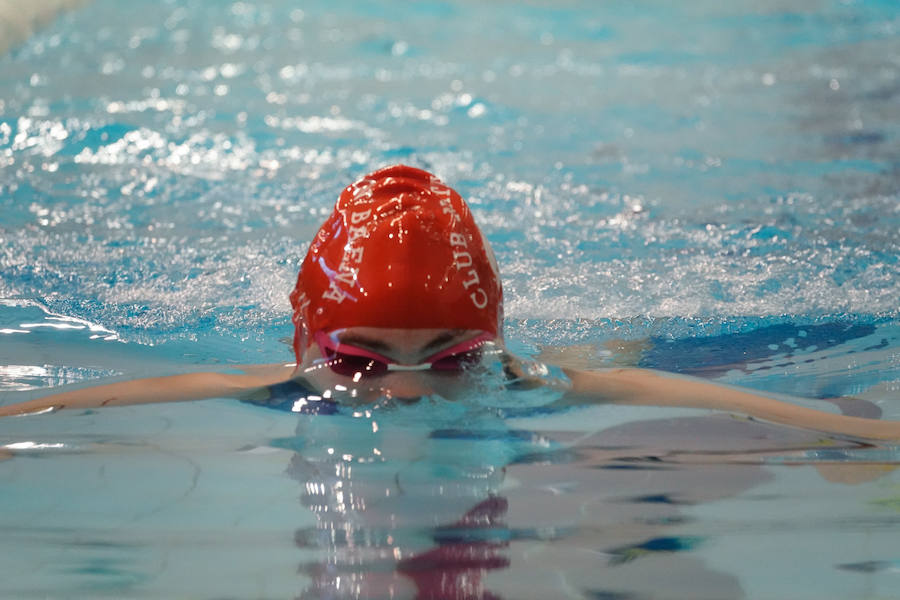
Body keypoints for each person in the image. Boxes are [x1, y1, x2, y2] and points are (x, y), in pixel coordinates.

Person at [1, 164, 899, 442]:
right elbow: (96, 400)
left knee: (616, 359)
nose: (404, 390)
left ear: (489, 342)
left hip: (563, 359)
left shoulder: (530, 378)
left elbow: (722, 399)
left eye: (452, 358)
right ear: (305, 342)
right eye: (358, 359)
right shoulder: (273, 375)